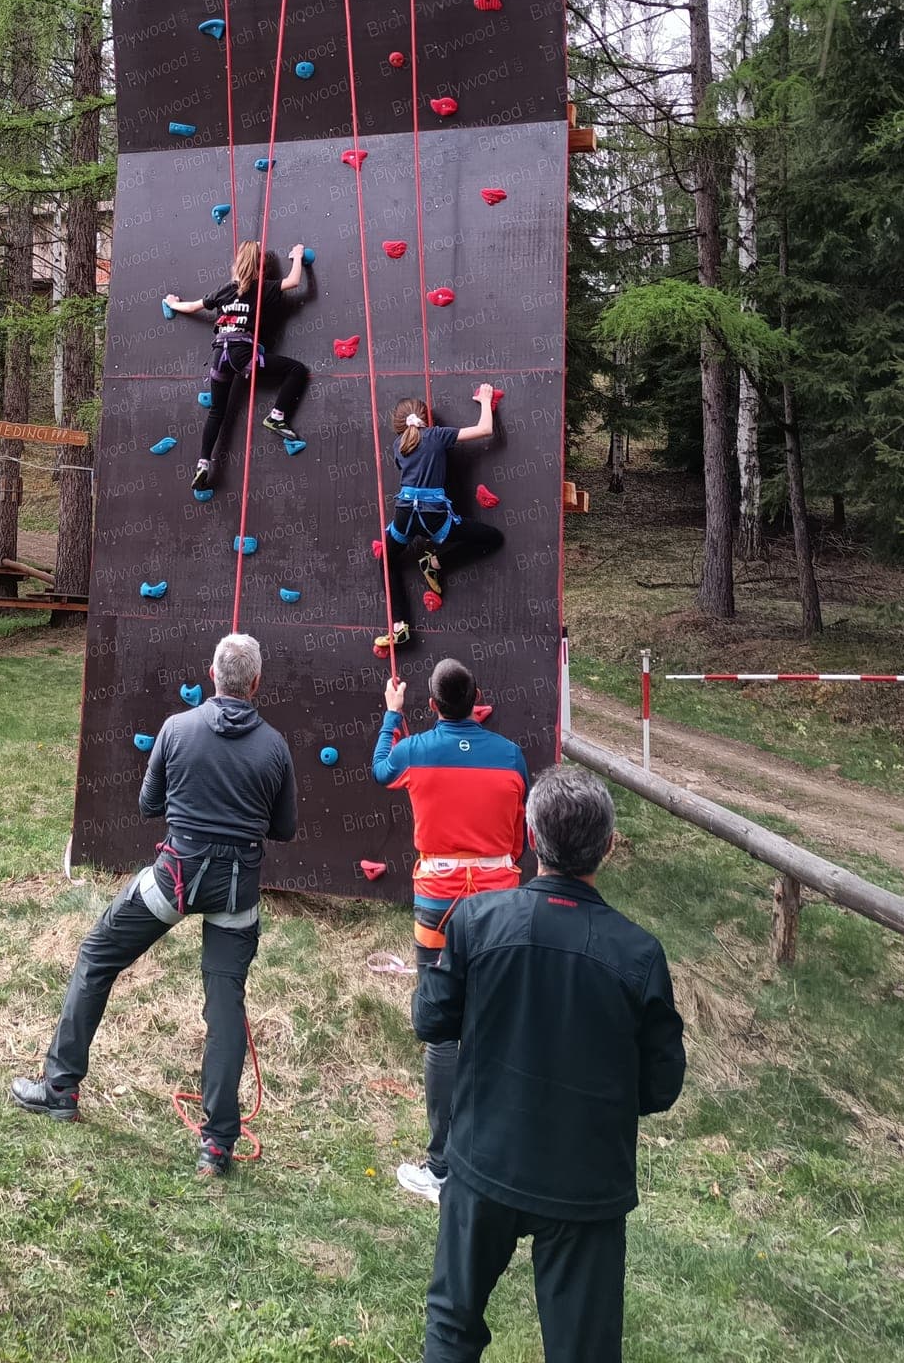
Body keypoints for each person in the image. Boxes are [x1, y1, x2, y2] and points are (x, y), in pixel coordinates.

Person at [413, 766, 686, 1363]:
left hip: (485, 1156)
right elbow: (662, 1083)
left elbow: (431, 1020)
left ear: (531, 838)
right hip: (585, 1176)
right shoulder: (640, 955)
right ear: (608, 848)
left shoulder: (476, 922)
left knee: (453, 1325)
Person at [11, 632, 298, 1177]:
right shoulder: (276, 747)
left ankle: (60, 1088)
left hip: (175, 879)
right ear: (257, 683)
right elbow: (283, 828)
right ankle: (217, 1146)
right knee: (224, 1008)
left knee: (98, 955)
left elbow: (149, 804)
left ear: (212, 675)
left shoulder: (176, 729)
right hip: (236, 891)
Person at [372, 659, 528, 1205]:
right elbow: (518, 840)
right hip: (500, 907)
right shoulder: (510, 757)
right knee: (491, 1025)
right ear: (478, 699)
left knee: (443, 1030)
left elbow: (380, 769)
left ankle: (441, 1167)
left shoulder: (415, 751)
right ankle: (491, 1159)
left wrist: (392, 714)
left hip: (437, 904)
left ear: (433, 706)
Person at [164, 239, 311, 493]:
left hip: (219, 356)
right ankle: (277, 417)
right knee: (297, 370)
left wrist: (172, 302)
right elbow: (294, 282)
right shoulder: (261, 288)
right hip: (243, 355)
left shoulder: (223, 291)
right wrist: (297, 256)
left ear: (236, 265)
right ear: (258, 269)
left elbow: (193, 306)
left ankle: (203, 463)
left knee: (216, 413)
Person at [374, 385, 504, 656]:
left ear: (399, 424)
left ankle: (400, 625)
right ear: (424, 417)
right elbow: (484, 430)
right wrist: (485, 400)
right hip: (434, 517)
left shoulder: (398, 445)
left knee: (386, 560)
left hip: (405, 515)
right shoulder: (436, 435)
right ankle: (436, 562)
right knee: (493, 537)